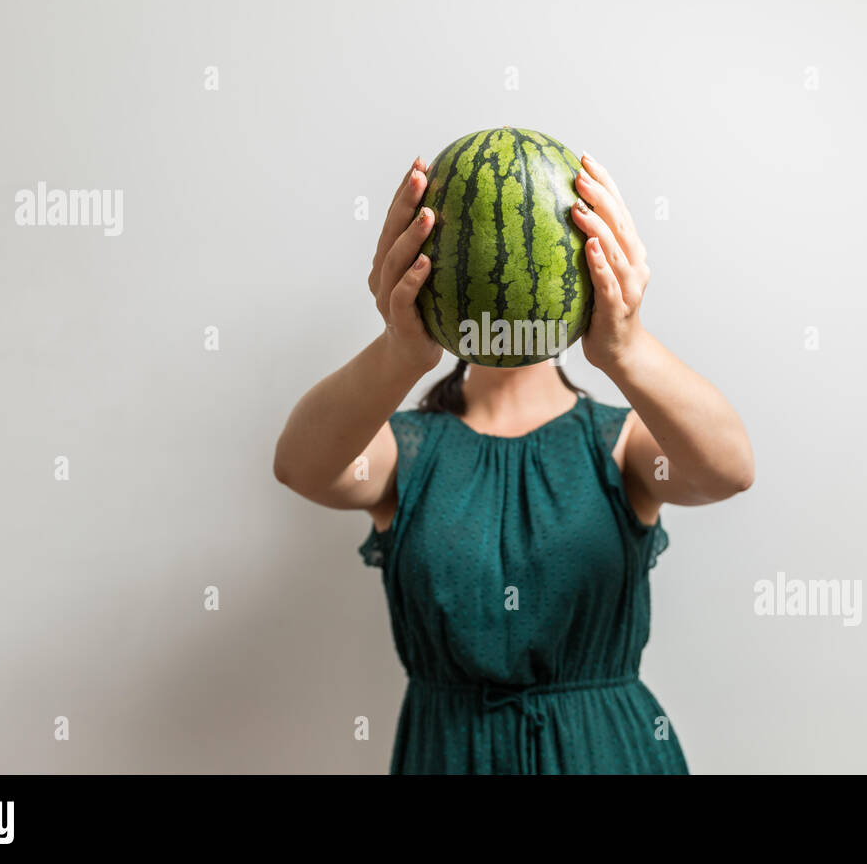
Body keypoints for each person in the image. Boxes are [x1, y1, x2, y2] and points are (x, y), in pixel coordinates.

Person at [274, 151, 754, 773]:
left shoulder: (622, 445)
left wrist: (627, 348)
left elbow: (729, 469)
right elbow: (301, 467)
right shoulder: (404, 451)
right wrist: (399, 351)